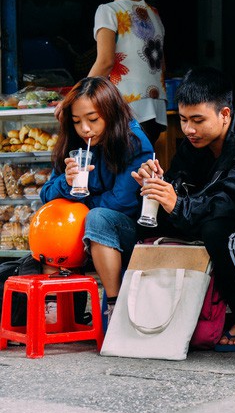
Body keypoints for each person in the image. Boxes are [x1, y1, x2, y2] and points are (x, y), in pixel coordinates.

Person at [132, 67, 235, 352]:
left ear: (225, 114)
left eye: (198, 120)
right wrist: (158, 183)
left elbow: (234, 205)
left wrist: (177, 204)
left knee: (221, 232)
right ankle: (142, 312)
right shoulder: (196, 142)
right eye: (182, 120)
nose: (189, 129)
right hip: (221, 221)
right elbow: (182, 185)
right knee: (144, 221)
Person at [40, 76, 153, 322]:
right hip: (86, 225)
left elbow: (121, 203)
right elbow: (45, 195)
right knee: (51, 221)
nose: (85, 129)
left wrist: (78, 206)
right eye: (77, 121)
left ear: (110, 113)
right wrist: (66, 183)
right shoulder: (74, 142)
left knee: (98, 217)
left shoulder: (134, 142)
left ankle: (114, 308)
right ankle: (60, 315)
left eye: (93, 119)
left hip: (127, 230)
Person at [89, 0, 167, 145]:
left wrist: (81, 94)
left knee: (126, 167)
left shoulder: (108, 11)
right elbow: (162, 65)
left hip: (128, 105)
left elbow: (105, 62)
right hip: (156, 106)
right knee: (143, 164)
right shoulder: (153, 13)